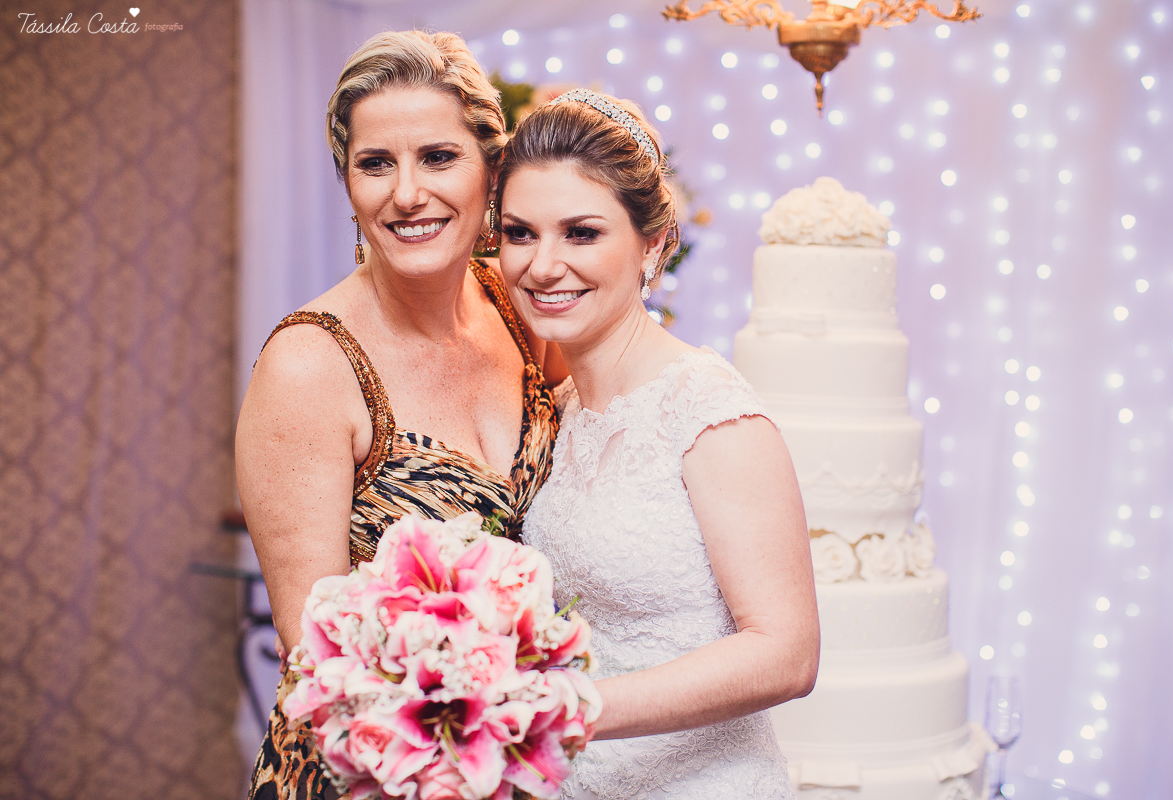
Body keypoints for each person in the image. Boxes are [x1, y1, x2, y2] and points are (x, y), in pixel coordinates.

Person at [235, 31, 560, 800]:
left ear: (491, 171)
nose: (407, 193)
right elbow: (315, 653)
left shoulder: (526, 311)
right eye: (375, 163)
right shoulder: (310, 364)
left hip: (514, 760)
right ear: (347, 183)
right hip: (368, 769)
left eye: (438, 157)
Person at [496, 89, 821, 798]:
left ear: (654, 245)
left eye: (581, 233)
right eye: (520, 233)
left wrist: (565, 711)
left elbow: (787, 654)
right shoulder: (555, 411)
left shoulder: (709, 412)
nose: (542, 266)